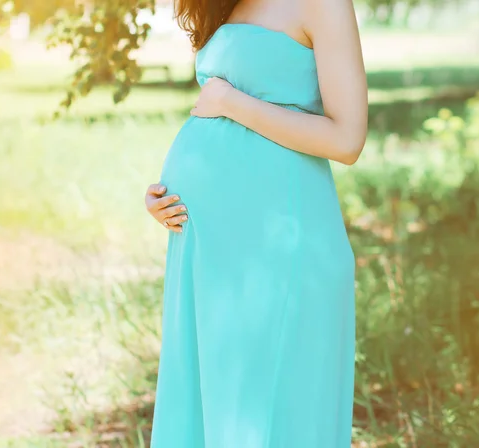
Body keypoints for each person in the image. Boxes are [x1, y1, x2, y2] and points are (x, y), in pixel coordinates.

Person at [144, 0, 367, 445]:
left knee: (269, 407)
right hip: (206, 247)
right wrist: (166, 195)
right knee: (210, 402)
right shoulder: (227, 3)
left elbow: (347, 139)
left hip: (278, 241)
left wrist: (231, 102)